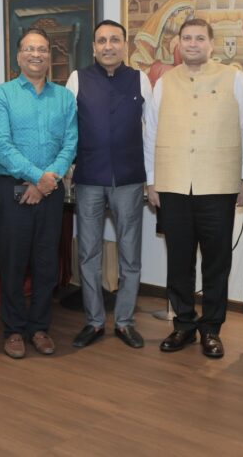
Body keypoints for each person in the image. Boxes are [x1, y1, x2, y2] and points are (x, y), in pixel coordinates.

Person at [144, 17, 243, 358]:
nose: (192, 43)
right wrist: (151, 180)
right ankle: (183, 325)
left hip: (218, 184)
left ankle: (211, 329)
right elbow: (151, 130)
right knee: (179, 260)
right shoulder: (164, 81)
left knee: (216, 262)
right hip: (173, 183)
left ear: (211, 44)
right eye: (187, 38)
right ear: (179, 44)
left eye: (199, 38)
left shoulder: (234, 77)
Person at [0, 28, 77, 359]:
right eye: (29, 49)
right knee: (12, 261)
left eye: (42, 49)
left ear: (49, 55)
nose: (36, 54)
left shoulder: (64, 97)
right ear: (18, 56)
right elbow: (2, 144)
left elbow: (70, 143)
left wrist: (45, 182)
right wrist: (39, 178)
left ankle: (39, 327)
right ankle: (13, 329)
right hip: (12, 188)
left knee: (46, 262)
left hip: (51, 192)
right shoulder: (2, 94)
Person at [65, 19, 152, 349]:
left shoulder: (141, 79)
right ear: (93, 48)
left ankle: (125, 321)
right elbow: (68, 128)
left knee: (130, 254)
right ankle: (94, 321)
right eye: (101, 40)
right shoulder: (78, 79)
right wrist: (69, 165)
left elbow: (151, 131)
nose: (108, 46)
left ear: (125, 46)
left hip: (129, 179)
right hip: (89, 178)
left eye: (115, 40)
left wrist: (152, 179)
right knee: (88, 253)